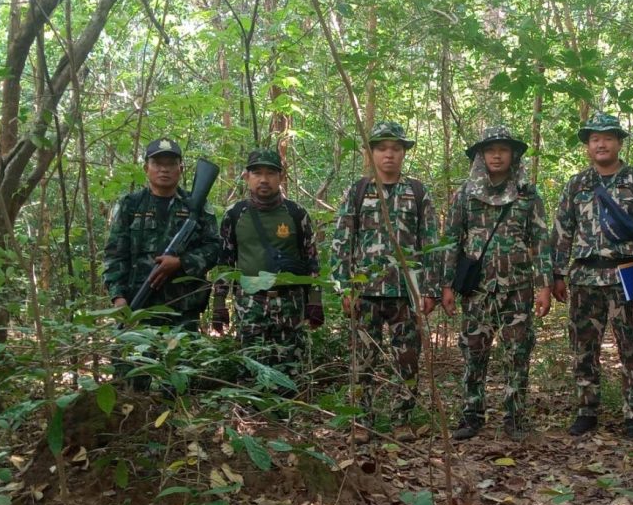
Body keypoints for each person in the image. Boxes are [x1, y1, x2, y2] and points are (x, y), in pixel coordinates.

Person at [330, 121, 440, 441]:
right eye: (381, 148)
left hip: (406, 291)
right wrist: (344, 286)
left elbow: (430, 242)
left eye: (395, 148)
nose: (389, 154)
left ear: (404, 153)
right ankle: (361, 422)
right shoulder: (358, 190)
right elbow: (342, 240)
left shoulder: (417, 192)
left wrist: (430, 289)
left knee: (407, 357)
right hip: (365, 290)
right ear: (372, 153)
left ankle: (401, 419)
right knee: (363, 359)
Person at [441, 126, 552, 441]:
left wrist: (544, 286)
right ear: (481, 155)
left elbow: (541, 242)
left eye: (503, 149)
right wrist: (446, 285)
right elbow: (451, 241)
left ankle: (515, 418)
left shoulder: (528, 193)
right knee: (473, 352)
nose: (497, 155)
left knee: (518, 352)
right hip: (477, 290)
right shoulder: (465, 194)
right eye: (491, 150)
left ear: (513, 154)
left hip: (518, 288)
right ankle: (471, 415)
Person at [551, 112, 633, 439]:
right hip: (585, 277)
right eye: (595, 139)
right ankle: (586, 411)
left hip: (627, 275)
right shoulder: (577, 184)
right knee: (583, 348)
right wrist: (557, 273)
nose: (601, 143)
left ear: (619, 143)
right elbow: (562, 230)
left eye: (608, 137)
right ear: (588, 146)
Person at [211, 149, 323, 380]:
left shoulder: (296, 213)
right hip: (249, 301)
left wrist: (315, 300)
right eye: (257, 173)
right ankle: (252, 414)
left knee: (290, 368)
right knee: (251, 366)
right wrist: (220, 304)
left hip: (290, 301)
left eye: (271, 173)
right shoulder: (235, 214)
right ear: (246, 177)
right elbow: (225, 260)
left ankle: (287, 414)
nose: (264, 179)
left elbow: (310, 257)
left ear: (281, 177)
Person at [103, 138, 219, 331]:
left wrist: (181, 262)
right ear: (146, 168)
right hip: (138, 306)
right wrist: (118, 297)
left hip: (183, 311)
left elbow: (215, 248)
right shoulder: (130, 205)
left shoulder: (197, 207)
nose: (164, 169)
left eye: (171, 164)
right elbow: (114, 255)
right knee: (131, 359)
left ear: (180, 169)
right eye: (157, 163)